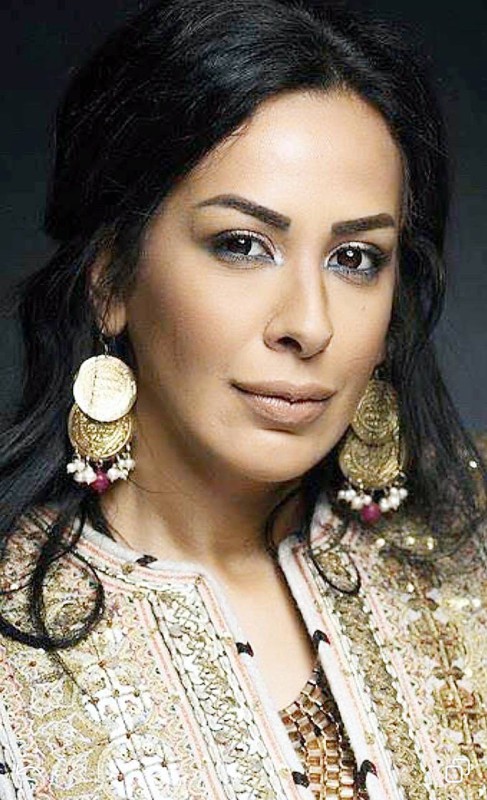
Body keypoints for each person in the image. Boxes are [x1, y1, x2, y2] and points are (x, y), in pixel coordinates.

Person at [0, 0, 485, 798]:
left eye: (356, 258)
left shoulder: (471, 558)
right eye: (241, 245)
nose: (308, 324)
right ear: (110, 279)